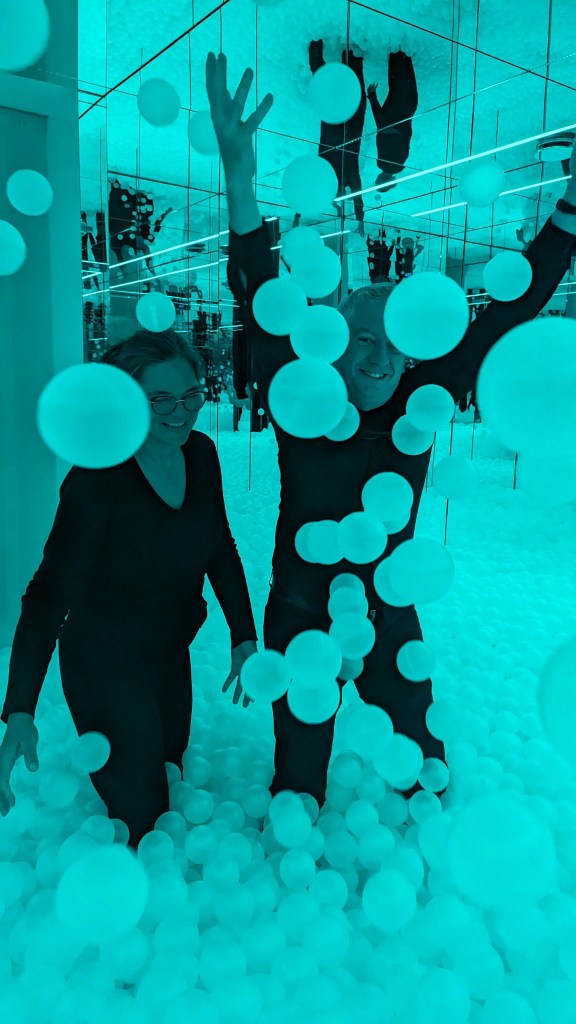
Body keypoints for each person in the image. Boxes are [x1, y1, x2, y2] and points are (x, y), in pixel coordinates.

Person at [206, 50, 576, 810]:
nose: (379, 359)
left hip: (390, 604)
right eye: (363, 341)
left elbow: (512, 308)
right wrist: (239, 175)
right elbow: (258, 295)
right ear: (335, 342)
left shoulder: (421, 399)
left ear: (413, 349)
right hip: (302, 607)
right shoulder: (303, 397)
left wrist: (569, 210)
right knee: (299, 773)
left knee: (421, 761)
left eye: (394, 345)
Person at [0, 329, 258, 848]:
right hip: (104, 662)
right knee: (144, 817)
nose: (181, 412)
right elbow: (47, 595)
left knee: (172, 770)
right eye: (160, 399)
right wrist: (20, 709)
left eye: (191, 395)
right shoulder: (97, 481)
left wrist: (244, 635)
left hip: (168, 652)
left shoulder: (201, 453)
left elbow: (219, 545)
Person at [308, 40, 367, 237]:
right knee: (332, 94)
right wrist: (357, 215)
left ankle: (349, 59)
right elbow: (356, 192)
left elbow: (357, 192)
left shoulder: (339, 178)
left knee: (340, 94)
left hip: (345, 128)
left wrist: (358, 216)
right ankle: (338, 57)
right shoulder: (330, 177)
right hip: (340, 127)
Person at [367, 51, 418, 193]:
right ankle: (397, 49)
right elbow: (382, 127)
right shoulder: (382, 163)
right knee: (397, 72)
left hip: (408, 108)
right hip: (395, 112)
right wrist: (372, 97)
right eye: (376, 182)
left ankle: (404, 51)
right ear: (381, 181)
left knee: (405, 72)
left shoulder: (402, 161)